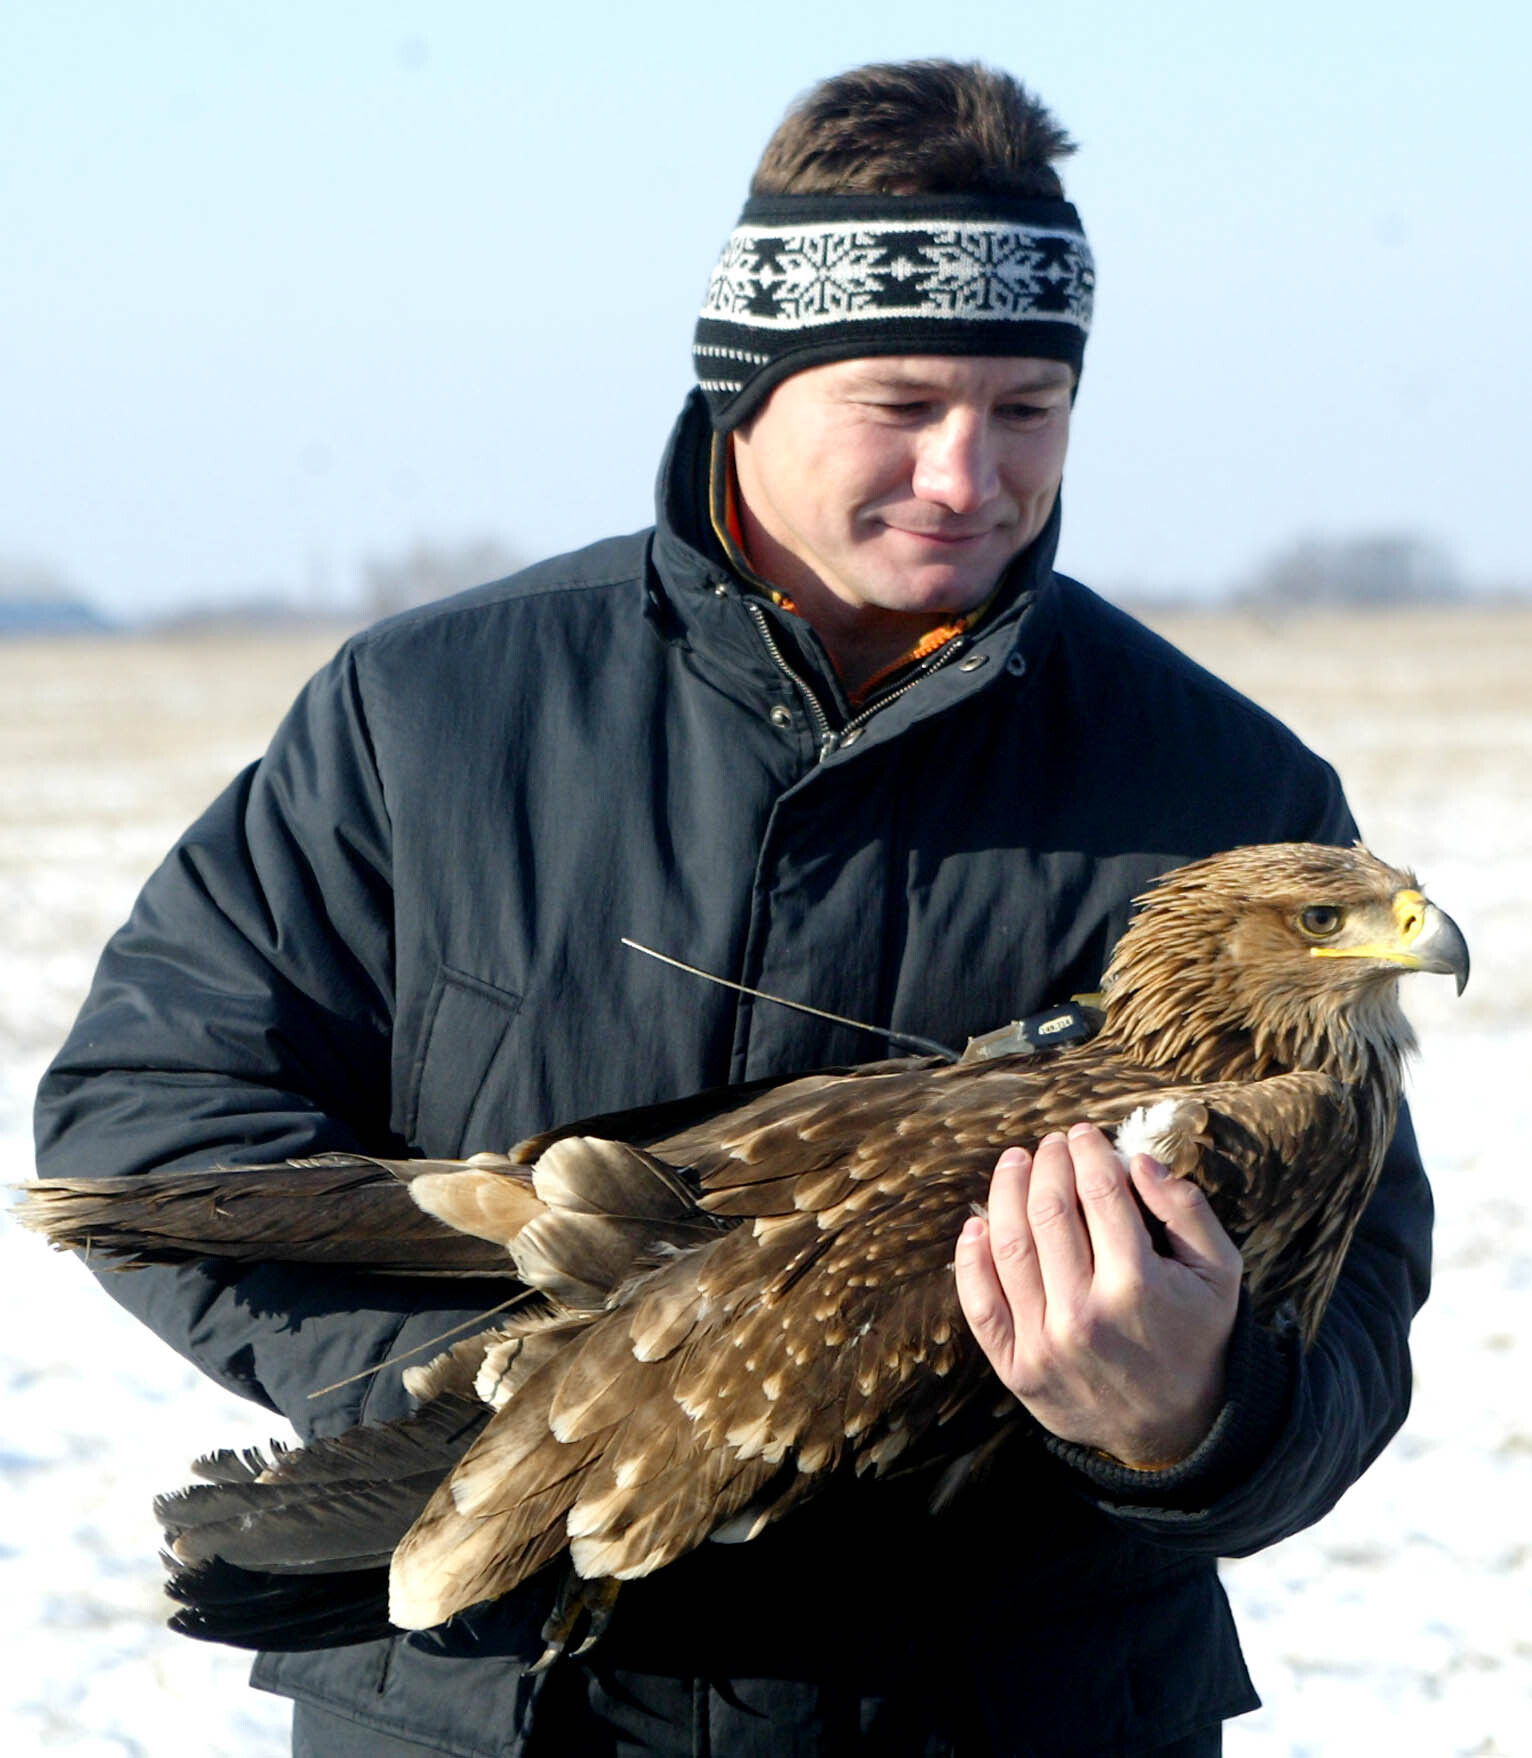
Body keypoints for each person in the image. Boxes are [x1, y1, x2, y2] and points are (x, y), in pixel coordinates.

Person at [35, 59, 1431, 1758]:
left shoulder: (1225, 796)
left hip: (997, 1711)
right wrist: (543, 1403)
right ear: (744, 384)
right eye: (901, 403)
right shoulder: (433, 711)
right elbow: (157, 1114)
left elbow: (1357, 1314)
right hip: (498, 1699)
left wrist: (1196, 1413)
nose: (967, 473)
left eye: (1028, 408)